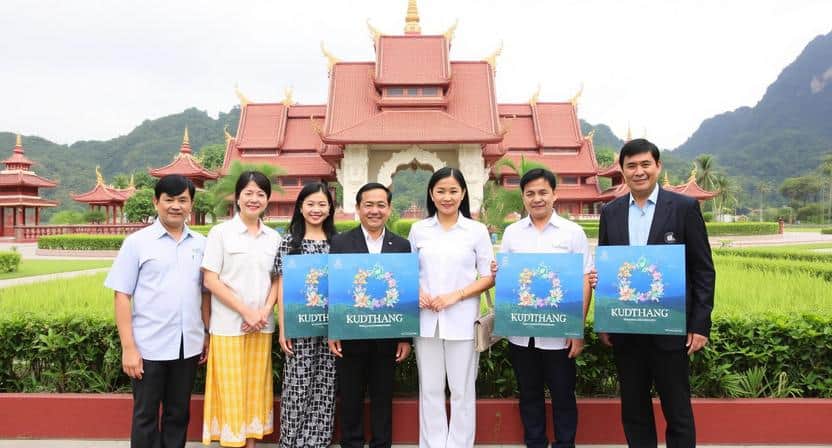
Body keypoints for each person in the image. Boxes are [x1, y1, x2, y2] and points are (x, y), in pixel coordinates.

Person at [597, 138, 715, 448]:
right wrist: (605, 320)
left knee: (677, 409)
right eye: (631, 166)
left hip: (670, 329)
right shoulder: (610, 212)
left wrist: (700, 324)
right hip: (627, 329)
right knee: (634, 410)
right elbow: (608, 268)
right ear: (622, 170)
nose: (639, 172)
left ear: (658, 167)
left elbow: (703, 270)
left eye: (645, 164)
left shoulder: (684, 208)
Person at [105, 174, 209, 448]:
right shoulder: (137, 243)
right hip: (148, 346)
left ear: (191, 204)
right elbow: (121, 295)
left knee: (178, 414)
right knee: (145, 415)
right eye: (169, 200)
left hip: (188, 346)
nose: (176, 206)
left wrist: (206, 333)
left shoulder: (201, 243)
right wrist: (129, 347)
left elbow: (205, 294)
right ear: (156, 202)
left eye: (183, 200)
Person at [498, 168, 593, 448]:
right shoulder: (512, 233)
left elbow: (585, 280)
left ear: (554, 194)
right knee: (529, 395)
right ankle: (535, 443)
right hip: (522, 334)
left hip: (560, 335)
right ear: (523, 197)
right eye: (530, 194)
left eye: (542, 193)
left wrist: (577, 329)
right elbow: (507, 279)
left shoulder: (572, 233)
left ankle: (565, 444)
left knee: (563, 395)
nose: (537, 199)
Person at [408, 167, 495, 448]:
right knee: (430, 389)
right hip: (425, 320)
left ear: (463, 194)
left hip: (462, 321)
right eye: (441, 191)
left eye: (453, 191)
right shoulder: (419, 230)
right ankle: (433, 443)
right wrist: (420, 292)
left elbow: (488, 276)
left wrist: (455, 296)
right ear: (431, 194)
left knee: (462, 389)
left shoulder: (476, 231)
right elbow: (407, 271)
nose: (447, 197)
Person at [327, 182, 412, 448]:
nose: (374, 211)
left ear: (389, 209)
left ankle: (381, 443)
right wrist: (334, 331)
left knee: (382, 397)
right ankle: (351, 443)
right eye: (368, 205)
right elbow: (335, 289)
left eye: (381, 205)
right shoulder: (341, 242)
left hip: (387, 336)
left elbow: (405, 292)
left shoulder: (401, 245)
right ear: (358, 208)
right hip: (351, 335)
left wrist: (405, 338)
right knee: (350, 398)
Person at [201, 171, 281, 448]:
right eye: (248, 192)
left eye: (260, 193)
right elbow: (210, 279)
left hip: (262, 325)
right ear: (237, 197)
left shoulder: (274, 238)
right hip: (228, 326)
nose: (254, 198)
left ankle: (249, 444)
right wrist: (246, 312)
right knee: (232, 390)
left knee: (254, 388)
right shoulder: (220, 233)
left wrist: (262, 312)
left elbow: (277, 280)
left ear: (268, 199)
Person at [274, 182, 338, 447]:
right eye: (310, 204)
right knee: (297, 386)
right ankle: (292, 440)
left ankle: (318, 441)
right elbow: (281, 286)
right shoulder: (290, 242)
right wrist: (283, 328)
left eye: (322, 204)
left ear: (330, 209)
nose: (316, 209)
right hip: (299, 327)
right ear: (300, 207)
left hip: (331, 329)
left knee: (326, 385)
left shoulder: (338, 242)